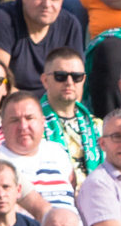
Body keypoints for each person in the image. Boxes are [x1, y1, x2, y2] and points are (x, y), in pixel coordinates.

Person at [0, 92, 76, 216]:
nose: (23, 126)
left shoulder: (57, 152)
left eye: (29, 118)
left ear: (42, 122)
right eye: (14, 120)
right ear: (2, 127)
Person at [38, 48, 101, 184]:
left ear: (84, 79)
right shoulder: (30, 124)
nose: (69, 82)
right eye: (60, 76)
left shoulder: (99, 126)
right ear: (45, 80)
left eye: (76, 76)